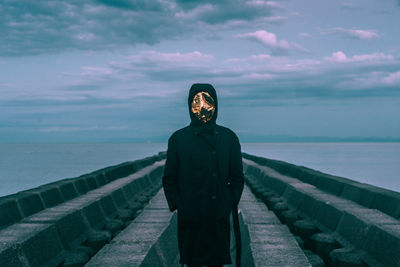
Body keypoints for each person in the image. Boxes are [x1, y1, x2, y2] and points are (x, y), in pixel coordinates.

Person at [162, 83, 244, 267]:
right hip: (191, 215)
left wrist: (229, 203)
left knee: (217, 261)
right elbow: (169, 178)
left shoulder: (228, 137)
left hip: (218, 213)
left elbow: (237, 177)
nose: (202, 108)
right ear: (190, 106)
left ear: (215, 105)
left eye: (207, 102)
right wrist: (179, 205)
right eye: (197, 102)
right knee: (191, 261)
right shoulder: (178, 139)